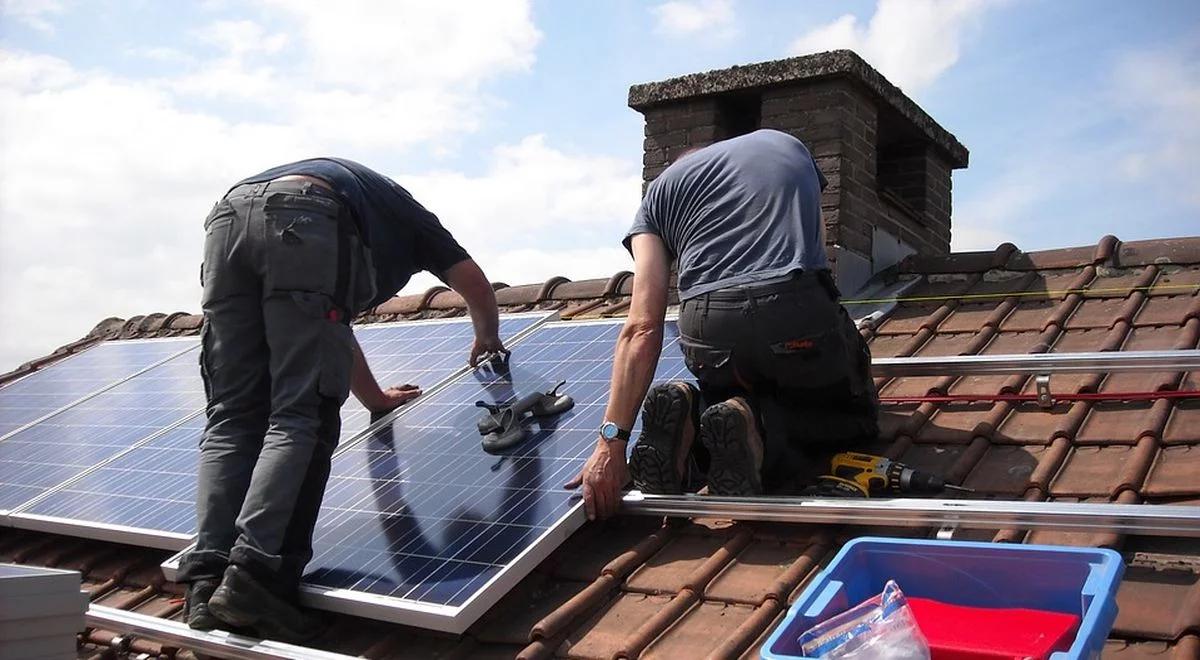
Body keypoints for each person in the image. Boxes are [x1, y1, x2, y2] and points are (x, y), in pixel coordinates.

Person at [177, 158, 506, 641]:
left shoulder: (371, 207)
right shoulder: (414, 222)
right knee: (300, 417)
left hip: (227, 219)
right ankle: (255, 579)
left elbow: (329, 330)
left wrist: (373, 397)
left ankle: (206, 584)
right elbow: (475, 285)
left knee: (231, 417)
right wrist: (487, 337)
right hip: (304, 215)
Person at [567, 129, 879, 520]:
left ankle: (693, 418)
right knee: (854, 414)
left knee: (730, 392)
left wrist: (611, 441)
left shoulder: (657, 195)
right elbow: (818, 256)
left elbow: (642, 325)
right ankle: (761, 429)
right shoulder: (786, 144)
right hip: (793, 303)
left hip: (708, 326)